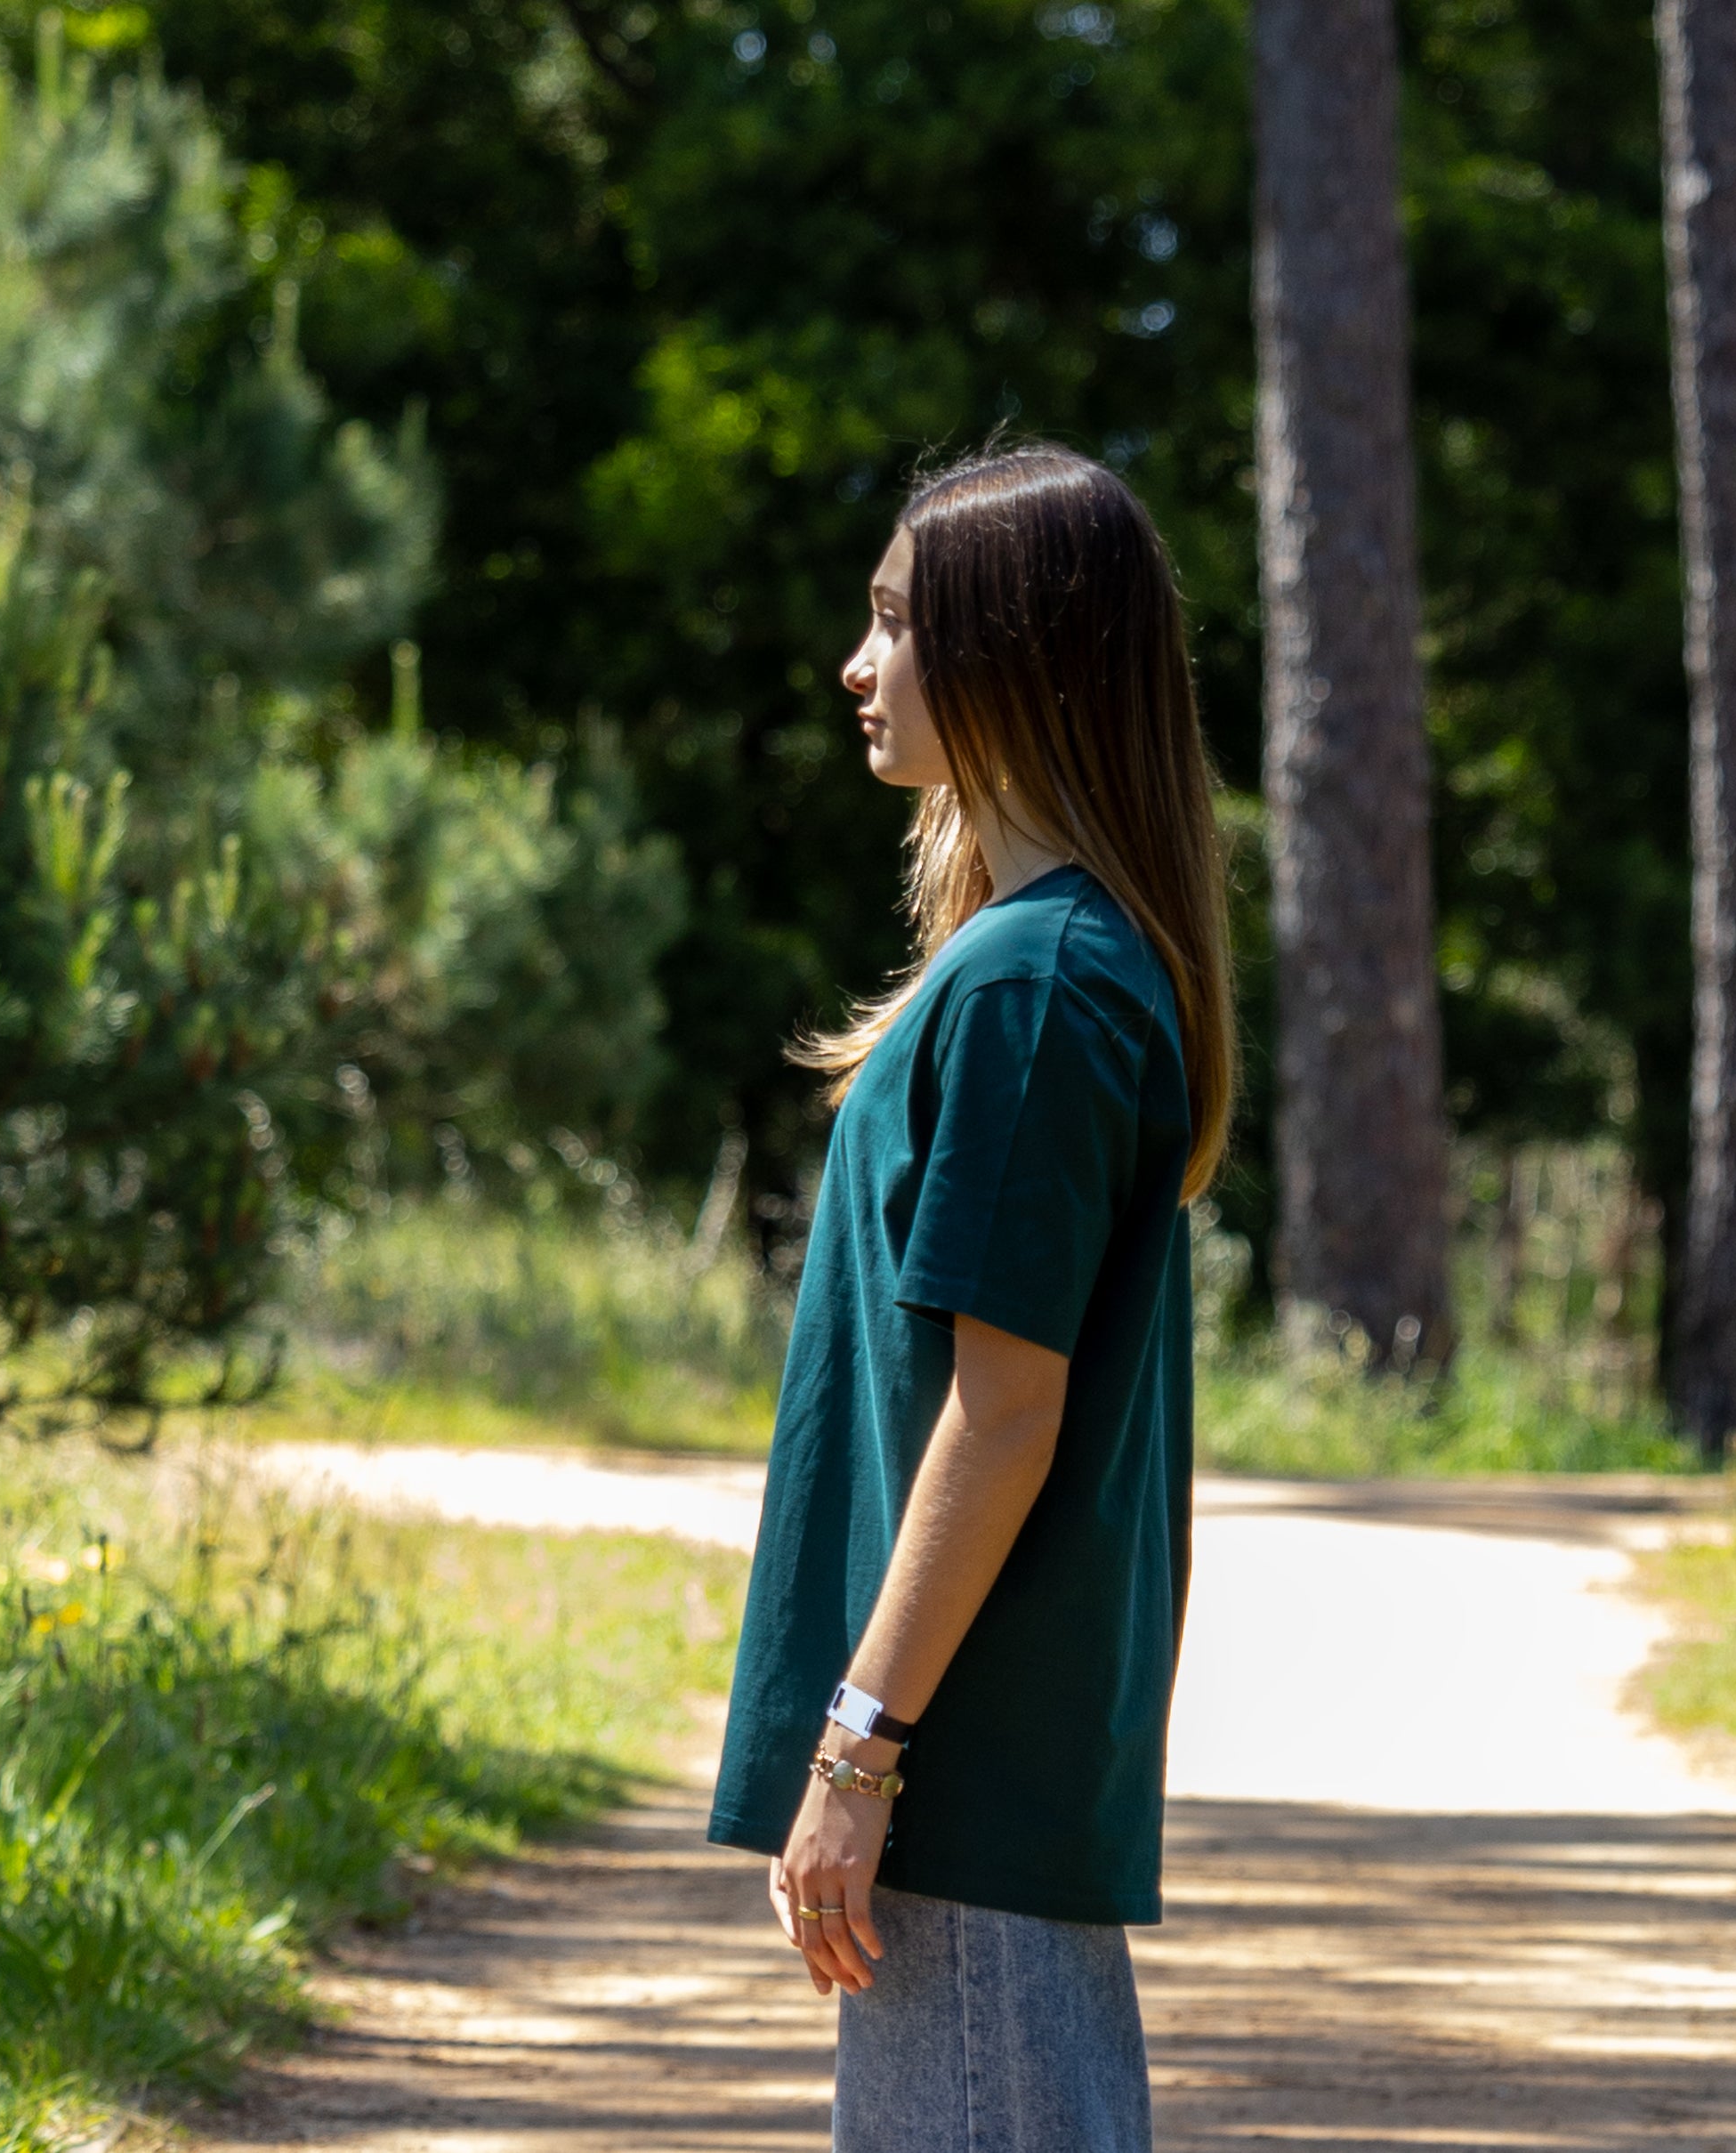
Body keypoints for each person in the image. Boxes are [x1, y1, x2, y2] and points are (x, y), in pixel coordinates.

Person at [707, 441, 1235, 2153]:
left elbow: (1007, 1413)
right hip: (977, 1764)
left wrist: (860, 1756)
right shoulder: (1042, 959)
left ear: (1017, 654)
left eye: (896, 626)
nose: (858, 668)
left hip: (965, 1765)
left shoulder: (1039, 983)